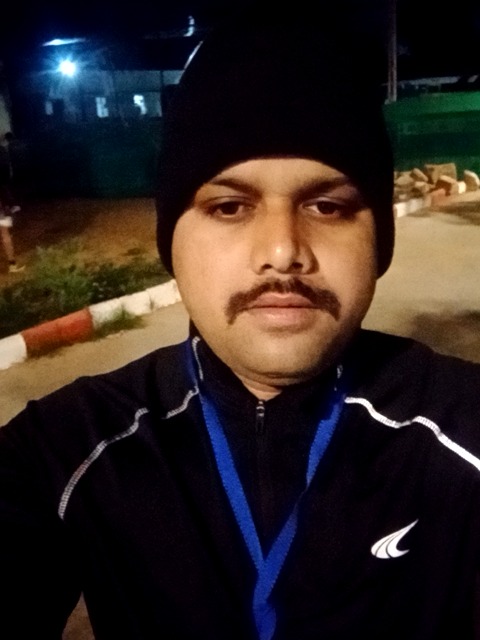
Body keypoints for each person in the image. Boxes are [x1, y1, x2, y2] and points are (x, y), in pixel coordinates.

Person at [1, 8, 480, 640]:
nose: (282, 251)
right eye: (229, 206)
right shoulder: (67, 450)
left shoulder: (464, 435)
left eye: (327, 205)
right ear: (171, 243)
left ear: (378, 243)